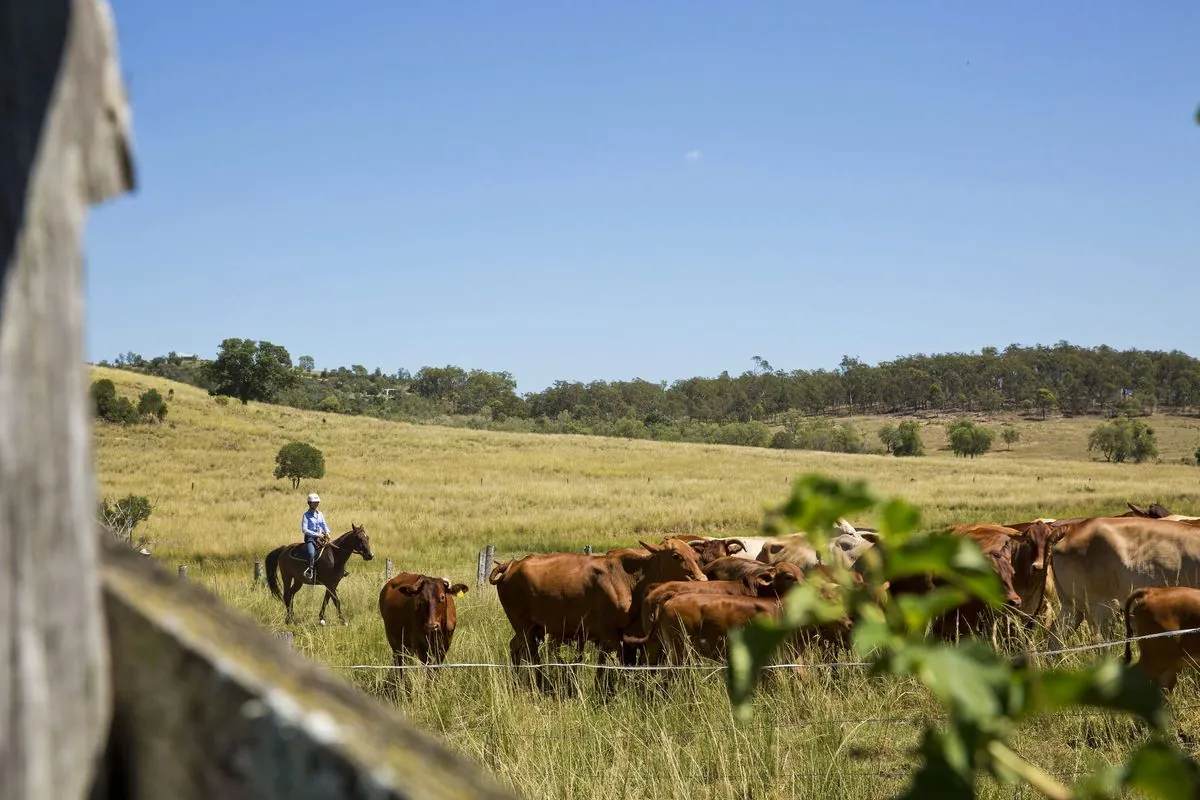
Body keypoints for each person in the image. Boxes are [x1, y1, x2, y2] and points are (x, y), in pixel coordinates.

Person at [301, 492, 330, 579]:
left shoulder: (320, 514)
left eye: (317, 502)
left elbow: (324, 525)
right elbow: (304, 530)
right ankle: (310, 570)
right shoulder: (306, 515)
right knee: (311, 552)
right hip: (310, 539)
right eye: (314, 502)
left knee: (333, 550)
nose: (316, 504)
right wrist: (317, 535)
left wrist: (328, 532)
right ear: (309, 503)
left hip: (322, 538)